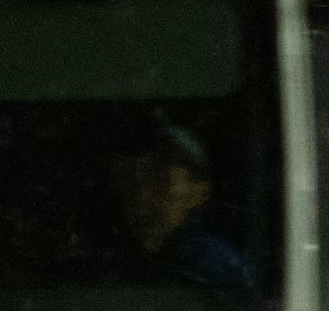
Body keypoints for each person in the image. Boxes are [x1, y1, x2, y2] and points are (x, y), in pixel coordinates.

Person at [102, 113, 261, 296]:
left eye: (160, 179)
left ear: (199, 193)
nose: (143, 193)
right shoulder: (117, 257)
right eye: (132, 180)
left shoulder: (219, 270)